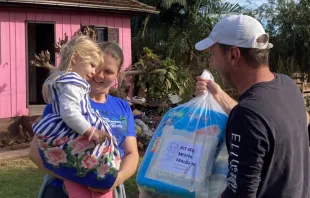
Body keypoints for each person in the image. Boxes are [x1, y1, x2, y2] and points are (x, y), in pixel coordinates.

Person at [195, 14, 310, 198]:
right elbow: (266, 126)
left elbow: (240, 194)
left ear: (233, 54)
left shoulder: (248, 115)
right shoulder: (288, 87)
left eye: (213, 55)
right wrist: (217, 94)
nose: (213, 64)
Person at [29, 41, 139, 198]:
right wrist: (82, 180)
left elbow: (131, 153)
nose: (99, 75)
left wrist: (112, 181)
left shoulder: (122, 107)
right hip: (61, 191)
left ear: (118, 75)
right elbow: (35, 153)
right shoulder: (66, 101)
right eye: (96, 68)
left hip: (107, 188)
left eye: (108, 71)